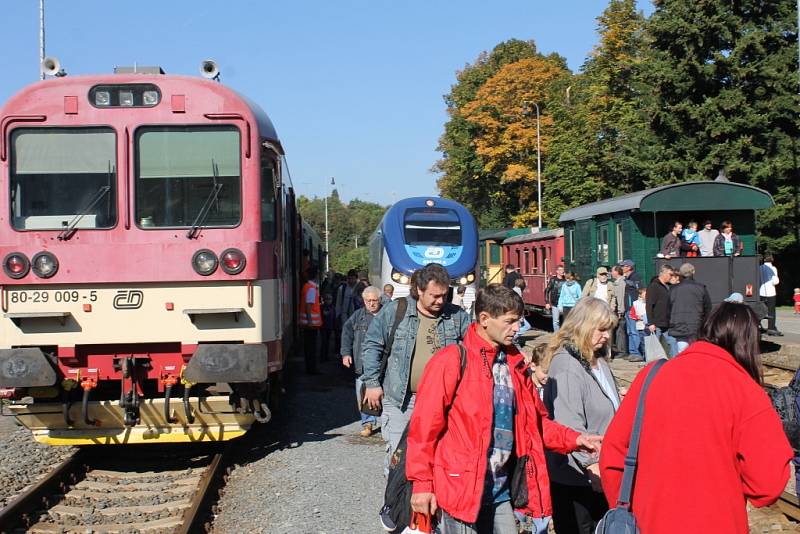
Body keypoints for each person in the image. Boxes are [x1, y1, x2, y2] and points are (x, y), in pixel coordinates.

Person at [406, 285, 602, 534]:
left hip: (500, 489)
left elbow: (536, 424)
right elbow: (424, 429)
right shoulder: (452, 360)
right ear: (485, 319)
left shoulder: (515, 365)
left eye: (519, 321)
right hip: (459, 488)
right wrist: (422, 484)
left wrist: (575, 439)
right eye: (510, 322)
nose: (517, 328)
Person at [600, 302, 793, 534]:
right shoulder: (747, 392)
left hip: (648, 522)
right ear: (748, 343)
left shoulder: (649, 377)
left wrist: (630, 508)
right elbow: (767, 483)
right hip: (717, 523)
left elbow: (612, 455)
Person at [361, 263, 471, 474]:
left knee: (436, 458)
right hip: (402, 400)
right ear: (419, 290)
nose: (440, 301)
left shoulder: (456, 316)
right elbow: (373, 344)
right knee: (400, 458)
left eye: (444, 295)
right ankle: (396, 505)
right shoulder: (396, 310)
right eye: (434, 295)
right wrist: (372, 383)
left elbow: (478, 343)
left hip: (443, 402)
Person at [544, 297, 620, 534]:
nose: (606, 336)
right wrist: (592, 465)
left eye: (609, 330)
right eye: (601, 329)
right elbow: (569, 424)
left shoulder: (597, 361)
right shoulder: (567, 365)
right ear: (583, 326)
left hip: (601, 472)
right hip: (578, 477)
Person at [341, 286, 383, 437]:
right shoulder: (357, 316)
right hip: (362, 362)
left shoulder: (387, 315)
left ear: (380, 300)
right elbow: (346, 333)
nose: (371, 304)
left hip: (383, 364)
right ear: (363, 301)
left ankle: (385, 423)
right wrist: (345, 353)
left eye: (374, 300)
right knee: (363, 393)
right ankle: (368, 423)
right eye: (368, 301)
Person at [667, 262, 711, 355]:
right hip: (696, 325)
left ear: (681, 274)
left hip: (678, 325)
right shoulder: (701, 288)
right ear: (693, 272)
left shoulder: (673, 289)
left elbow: (668, 308)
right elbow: (708, 308)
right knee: (695, 353)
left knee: (681, 352)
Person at [645, 264, 678, 358]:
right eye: (670, 274)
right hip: (656, 323)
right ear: (663, 273)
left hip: (666, 322)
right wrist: (650, 322)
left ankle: (674, 363)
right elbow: (649, 305)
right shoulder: (654, 286)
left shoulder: (667, 286)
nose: (671, 277)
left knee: (673, 342)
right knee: (654, 345)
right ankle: (651, 364)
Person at [299, 266, 322, 374]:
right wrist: (310, 321)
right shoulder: (311, 288)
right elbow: (309, 305)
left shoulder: (306, 286)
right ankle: (311, 369)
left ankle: (310, 368)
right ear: (316, 275)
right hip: (311, 324)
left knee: (308, 347)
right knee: (311, 348)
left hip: (307, 323)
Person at [621, 259, 644, 361]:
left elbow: (638, 287)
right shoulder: (627, 277)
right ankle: (632, 351)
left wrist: (628, 281)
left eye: (624, 266)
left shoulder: (635, 276)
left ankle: (637, 353)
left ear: (629, 267)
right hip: (627, 307)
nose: (622, 268)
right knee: (630, 331)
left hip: (632, 308)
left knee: (634, 331)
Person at [759, 255, 782, 336]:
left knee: (761, 310)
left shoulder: (759, 268)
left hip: (761, 291)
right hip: (771, 292)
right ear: (772, 260)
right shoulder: (773, 268)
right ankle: (771, 328)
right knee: (771, 311)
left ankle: (758, 325)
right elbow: (775, 281)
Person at [609, 265, 627, 358]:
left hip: (620, 311)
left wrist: (620, 312)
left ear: (617, 272)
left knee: (620, 331)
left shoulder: (621, 283)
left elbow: (620, 298)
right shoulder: (617, 282)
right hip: (617, 310)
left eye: (612, 271)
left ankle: (621, 351)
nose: (611, 273)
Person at [545, 265, 567, 332]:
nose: (562, 271)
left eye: (563, 270)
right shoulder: (553, 280)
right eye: (560, 270)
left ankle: (564, 335)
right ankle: (556, 335)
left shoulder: (566, 280)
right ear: (557, 271)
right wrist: (547, 302)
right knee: (556, 321)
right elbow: (547, 290)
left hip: (565, 303)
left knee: (565, 320)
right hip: (555, 303)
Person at [628, 287, 648, 358]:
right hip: (640, 326)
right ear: (640, 295)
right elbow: (631, 315)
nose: (647, 295)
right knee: (643, 343)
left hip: (649, 326)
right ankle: (645, 357)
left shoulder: (650, 302)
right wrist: (638, 317)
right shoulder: (635, 303)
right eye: (645, 294)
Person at [320, 292, 336, 361]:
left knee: (327, 342)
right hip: (323, 327)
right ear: (324, 300)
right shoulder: (321, 307)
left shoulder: (333, 307)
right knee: (324, 342)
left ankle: (326, 356)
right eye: (327, 299)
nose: (328, 300)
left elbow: (334, 317)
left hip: (329, 327)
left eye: (330, 299)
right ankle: (322, 357)